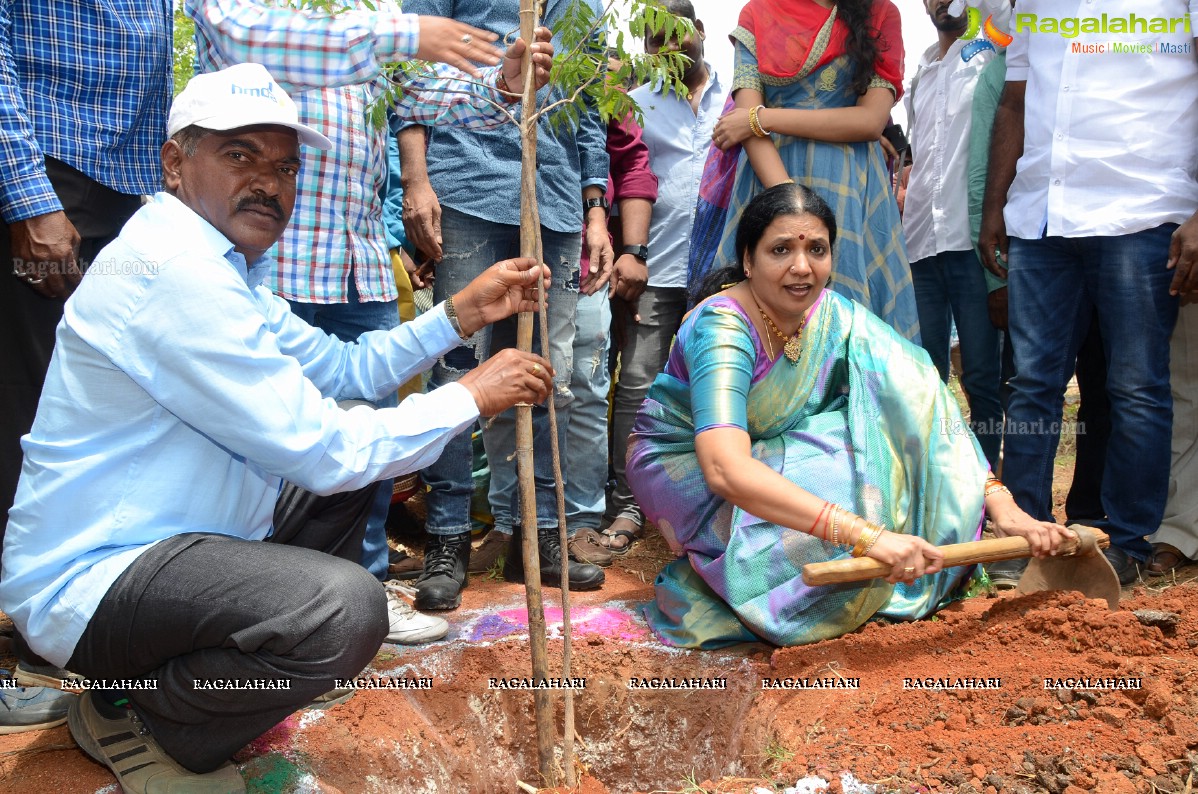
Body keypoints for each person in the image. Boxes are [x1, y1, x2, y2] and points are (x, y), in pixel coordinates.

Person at [0, 64, 554, 792]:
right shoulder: (176, 274)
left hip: (169, 549)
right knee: (342, 612)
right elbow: (324, 454)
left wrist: (459, 316)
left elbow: (346, 373)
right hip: (93, 580)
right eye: (239, 156)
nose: (268, 182)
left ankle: (202, 679)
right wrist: (473, 397)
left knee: (361, 431)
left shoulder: (216, 265)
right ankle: (142, 713)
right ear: (175, 162)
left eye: (285, 166)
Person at [186, 0, 551, 600]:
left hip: (357, 264)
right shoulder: (281, 12)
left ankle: (364, 592)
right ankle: (261, 605)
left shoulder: (371, 10)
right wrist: (405, 32)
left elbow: (423, 94)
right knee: (274, 457)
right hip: (276, 261)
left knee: (370, 455)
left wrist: (506, 82)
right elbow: (244, 31)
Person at [626, 184, 1070, 648]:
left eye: (816, 249)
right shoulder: (722, 328)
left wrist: (1007, 510)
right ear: (748, 260)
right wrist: (869, 538)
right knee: (848, 488)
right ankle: (745, 586)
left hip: (776, 448)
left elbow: (924, 408)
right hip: (687, 463)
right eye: (781, 250)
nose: (802, 267)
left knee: (880, 443)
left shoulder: (833, 314)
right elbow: (724, 468)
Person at [399, 0, 611, 610]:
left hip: (558, 204)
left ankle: (537, 537)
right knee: (456, 371)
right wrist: (417, 180)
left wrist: (595, 210)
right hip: (467, 188)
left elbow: (591, 108)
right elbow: (413, 77)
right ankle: (447, 540)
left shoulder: (586, 9)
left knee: (546, 377)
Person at [977, 0, 1197, 585]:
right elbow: (1015, 100)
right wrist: (995, 203)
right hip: (1042, 216)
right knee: (1032, 385)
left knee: (1136, 386)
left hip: (1142, 210)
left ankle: (1126, 541)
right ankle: (1025, 537)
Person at [0, 0, 173, 729]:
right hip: (47, 183)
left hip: (120, 189)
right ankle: (15, 656)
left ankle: (67, 630)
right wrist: (27, 195)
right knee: (27, 413)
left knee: (99, 414)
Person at [691, 0, 920, 342]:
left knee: (847, 330)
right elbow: (747, 130)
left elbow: (871, 121)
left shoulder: (881, 12)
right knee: (754, 331)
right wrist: (793, 209)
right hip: (768, 182)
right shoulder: (757, 12)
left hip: (849, 190)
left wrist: (761, 119)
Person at [602, 0, 728, 554]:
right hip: (657, 267)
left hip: (725, 274)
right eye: (653, 42)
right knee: (638, 383)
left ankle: (720, 501)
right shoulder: (635, 105)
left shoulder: (740, 101)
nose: (665, 50)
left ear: (699, 32)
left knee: (723, 384)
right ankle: (628, 503)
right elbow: (625, 176)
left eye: (674, 36)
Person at [903, 0, 1002, 469]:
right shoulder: (920, 70)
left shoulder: (993, 48)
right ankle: (934, 482)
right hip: (920, 244)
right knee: (924, 376)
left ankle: (984, 488)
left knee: (983, 377)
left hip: (971, 243)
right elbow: (917, 158)